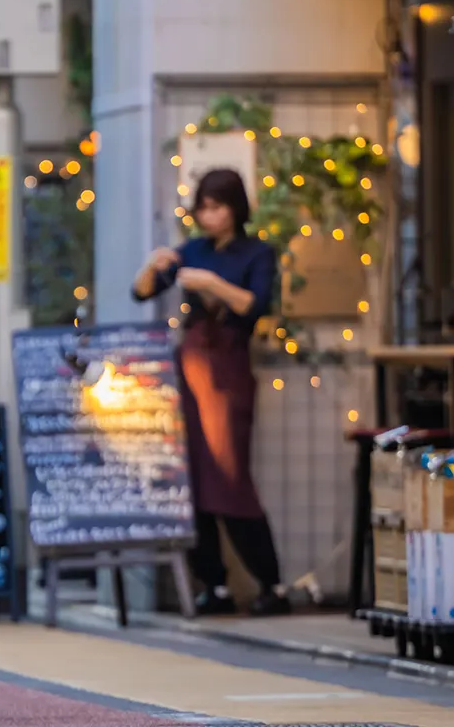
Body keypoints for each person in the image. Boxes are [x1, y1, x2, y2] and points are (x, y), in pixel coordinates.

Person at [131, 167, 290, 617]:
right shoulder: (193, 250)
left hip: (229, 368)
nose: (208, 216)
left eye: (216, 207)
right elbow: (141, 292)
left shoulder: (257, 253)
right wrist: (154, 265)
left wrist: (212, 284)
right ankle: (213, 583)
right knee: (192, 477)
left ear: (235, 208)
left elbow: (255, 305)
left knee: (229, 474)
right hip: (191, 365)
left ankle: (270, 582)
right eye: (202, 208)